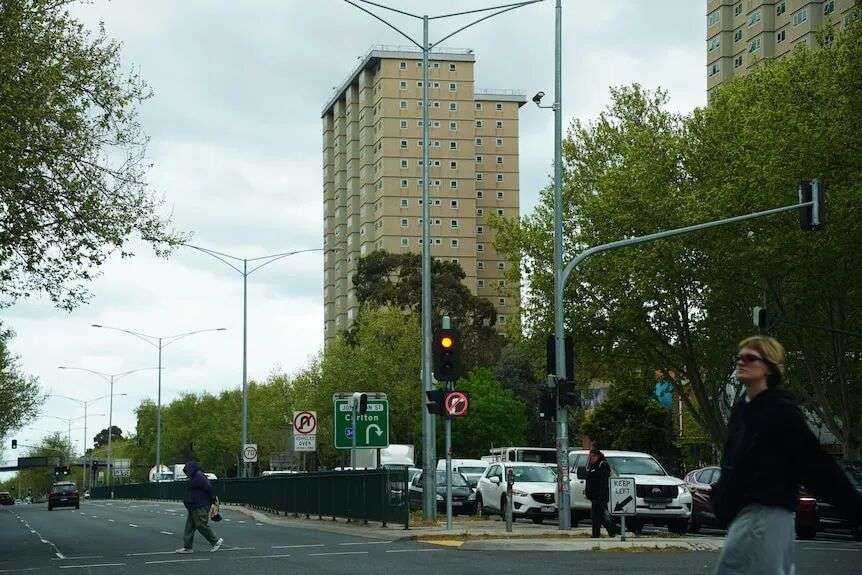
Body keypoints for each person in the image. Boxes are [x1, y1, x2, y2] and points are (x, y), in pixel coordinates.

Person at [713, 336, 862, 575]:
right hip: (747, 517)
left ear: (769, 367)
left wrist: (855, 508)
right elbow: (732, 464)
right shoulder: (742, 408)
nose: (741, 362)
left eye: (750, 358)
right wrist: (722, 500)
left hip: (766, 517)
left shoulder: (780, 411)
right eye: (739, 357)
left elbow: (816, 464)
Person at [176, 461, 223, 553]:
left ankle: (215, 541)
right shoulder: (193, 477)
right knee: (189, 527)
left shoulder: (199, 476)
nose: (186, 473)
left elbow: (208, 488)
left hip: (200, 505)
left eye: (186, 471)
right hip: (193, 505)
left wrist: (213, 500)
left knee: (201, 524)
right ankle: (187, 547)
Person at [585, 448, 616, 538]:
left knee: (597, 516)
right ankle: (611, 531)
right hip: (593, 496)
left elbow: (602, 481)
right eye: (590, 457)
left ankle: (608, 531)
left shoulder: (603, 465)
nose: (591, 459)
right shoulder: (592, 466)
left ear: (598, 456)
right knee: (598, 516)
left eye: (593, 456)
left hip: (600, 495)